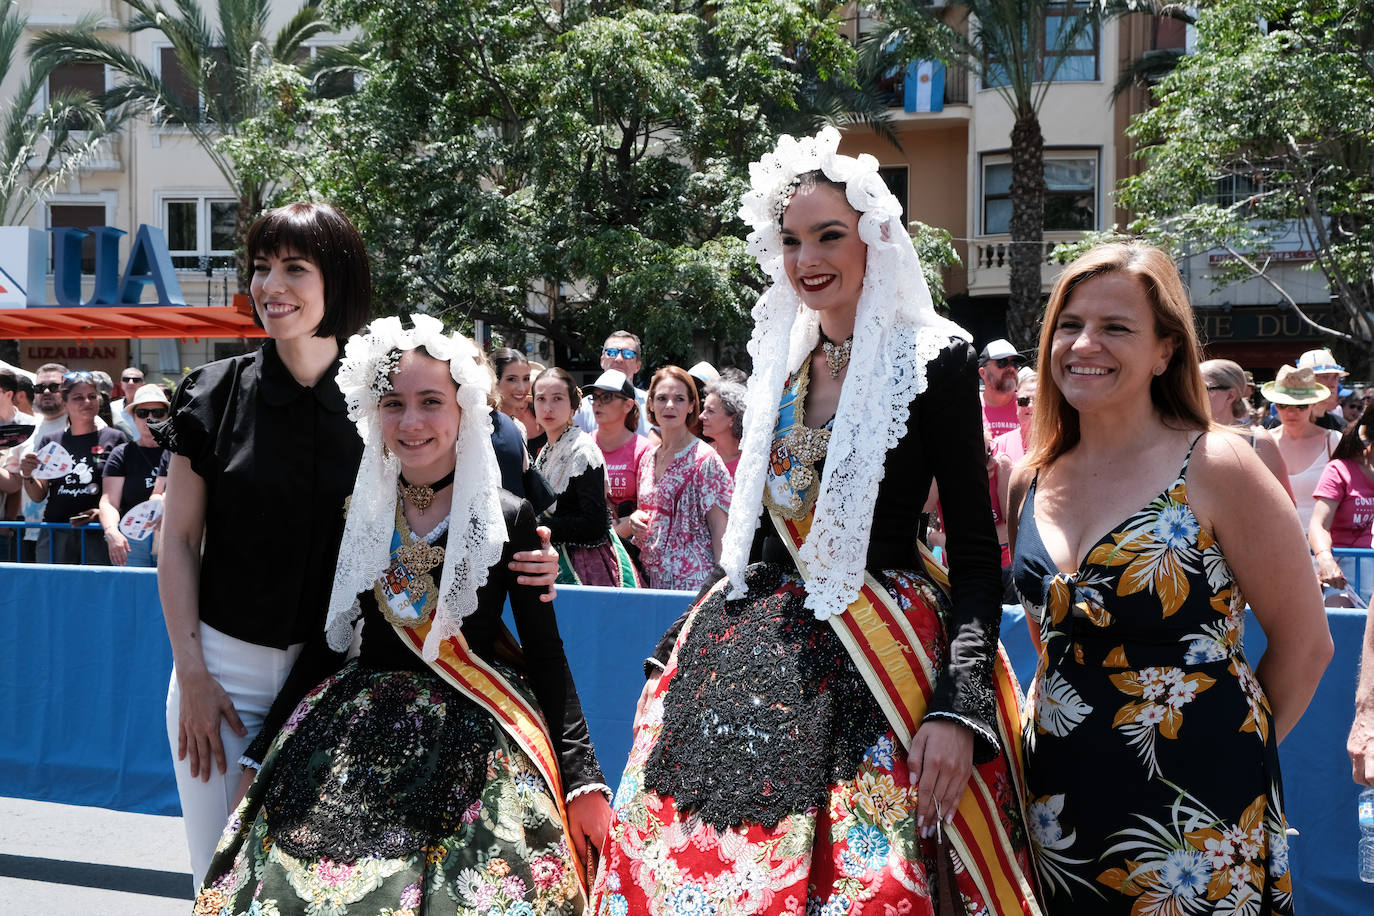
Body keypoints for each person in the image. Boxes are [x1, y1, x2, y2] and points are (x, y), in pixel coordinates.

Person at [594, 129, 1039, 915]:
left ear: (874, 236)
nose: (807, 259)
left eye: (829, 235)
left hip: (883, 649)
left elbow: (975, 553)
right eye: (792, 239)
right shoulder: (783, 357)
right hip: (760, 640)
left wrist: (959, 702)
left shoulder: (936, 359)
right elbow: (766, 533)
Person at [154, 202, 561, 884]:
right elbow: (176, 542)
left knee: (325, 889)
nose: (270, 286)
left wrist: (533, 552)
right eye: (260, 268)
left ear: (335, 280)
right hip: (221, 675)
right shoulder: (212, 392)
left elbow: (463, 495)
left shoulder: (383, 395)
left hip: (340, 678)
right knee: (221, 879)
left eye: (294, 268)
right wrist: (192, 675)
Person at [195, 315, 611, 915]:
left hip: (476, 733)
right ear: (372, 411)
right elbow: (327, 641)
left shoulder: (509, 516)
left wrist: (581, 780)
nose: (411, 422)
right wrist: (261, 754)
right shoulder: (357, 513)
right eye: (393, 403)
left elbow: (547, 653)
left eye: (431, 402)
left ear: (466, 409)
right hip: (353, 733)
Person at [1007, 240, 1331, 913]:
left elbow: (1306, 645)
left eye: (1115, 327)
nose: (1084, 343)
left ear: (1165, 352)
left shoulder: (1220, 464)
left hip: (1195, 817)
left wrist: (1230, 759)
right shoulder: (1026, 477)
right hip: (1054, 807)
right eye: (1070, 324)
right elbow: (1052, 646)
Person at [531, 366, 640, 587]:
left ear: (574, 405)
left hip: (585, 564)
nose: (548, 407)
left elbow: (595, 525)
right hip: (554, 557)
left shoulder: (583, 450)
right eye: (541, 399)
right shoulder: (547, 449)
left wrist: (541, 525)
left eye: (557, 399)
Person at [628, 365, 732, 591]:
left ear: (691, 405)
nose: (669, 406)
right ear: (651, 405)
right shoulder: (647, 457)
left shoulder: (706, 460)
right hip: (650, 584)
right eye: (662, 398)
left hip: (693, 587)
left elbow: (720, 531)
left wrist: (719, 591)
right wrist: (635, 519)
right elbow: (649, 509)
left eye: (679, 399)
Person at [18, 370, 128, 564]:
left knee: (94, 591)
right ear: (64, 402)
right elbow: (38, 495)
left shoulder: (115, 438)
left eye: (92, 396)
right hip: (56, 532)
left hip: (97, 533)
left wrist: (101, 514)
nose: (87, 402)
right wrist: (28, 475)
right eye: (78, 397)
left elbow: (122, 491)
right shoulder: (51, 440)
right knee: (53, 592)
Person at [1201, 358, 1293, 502]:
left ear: (1230, 396)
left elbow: (1285, 503)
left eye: (1203, 388)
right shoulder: (1183, 437)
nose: (1193, 393)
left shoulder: (1258, 440)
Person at [1264, 364, 1342, 535]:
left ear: (1313, 404)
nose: (1291, 412)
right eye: (1283, 404)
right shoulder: (1262, 442)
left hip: (1325, 549)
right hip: (1273, 545)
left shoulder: (1334, 441)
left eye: (1300, 406)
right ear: (1275, 405)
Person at [97, 384, 169, 567]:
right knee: (131, 593)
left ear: (168, 416)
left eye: (158, 412)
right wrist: (112, 532)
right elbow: (109, 502)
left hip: (172, 535)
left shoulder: (180, 452)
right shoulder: (123, 453)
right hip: (133, 537)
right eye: (143, 413)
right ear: (133, 417)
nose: (150, 418)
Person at [1311, 402, 1374, 601]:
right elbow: (1319, 524)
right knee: (1340, 616)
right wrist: (1325, 559)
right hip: (1344, 577)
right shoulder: (1339, 470)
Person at [588, 368, 651, 547]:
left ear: (628, 405)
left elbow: (647, 510)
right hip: (590, 545)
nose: (598, 403)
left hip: (631, 549)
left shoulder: (644, 450)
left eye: (607, 397)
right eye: (595, 396)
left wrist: (611, 540)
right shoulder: (584, 445)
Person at [572, 331, 650, 435]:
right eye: (612, 352)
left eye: (628, 354)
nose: (618, 359)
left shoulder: (651, 406)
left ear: (638, 366)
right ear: (602, 361)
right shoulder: (582, 409)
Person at [489, 346, 539, 439]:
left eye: (526, 379)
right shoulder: (484, 426)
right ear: (495, 380)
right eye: (512, 379)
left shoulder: (520, 427)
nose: (522, 388)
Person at [699, 378, 746, 475]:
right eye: (704, 410)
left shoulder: (751, 459)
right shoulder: (700, 456)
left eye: (710, 411)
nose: (701, 416)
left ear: (732, 419)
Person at [979, 337, 1023, 438]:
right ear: (983, 373)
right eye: (1002, 362)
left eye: (1015, 363)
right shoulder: (970, 409)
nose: (1011, 368)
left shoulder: (1027, 405)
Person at [1296, 347, 1348, 431]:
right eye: (1325, 377)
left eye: (1335, 377)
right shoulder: (1282, 424)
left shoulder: (1341, 426)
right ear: (1305, 381)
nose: (1333, 385)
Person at [992, 371, 1036, 464]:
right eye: (1024, 401)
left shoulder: (1061, 446)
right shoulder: (998, 446)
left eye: (1038, 400)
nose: (1030, 405)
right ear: (1017, 406)